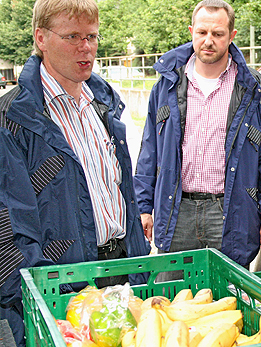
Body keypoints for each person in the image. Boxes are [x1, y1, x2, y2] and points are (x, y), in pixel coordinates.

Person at [0, 0, 150, 345]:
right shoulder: (13, 119)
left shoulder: (104, 105)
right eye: (72, 36)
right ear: (41, 38)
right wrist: (38, 298)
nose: (86, 48)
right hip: (60, 287)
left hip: (120, 273)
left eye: (92, 37)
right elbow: (6, 228)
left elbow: (118, 189)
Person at [134, 0, 261, 270]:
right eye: (202, 32)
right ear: (191, 31)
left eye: (218, 34)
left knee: (228, 302)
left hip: (230, 213)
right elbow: (149, 152)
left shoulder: (254, 89)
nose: (208, 41)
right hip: (176, 212)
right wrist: (144, 207)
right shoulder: (167, 86)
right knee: (172, 299)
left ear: (232, 36)